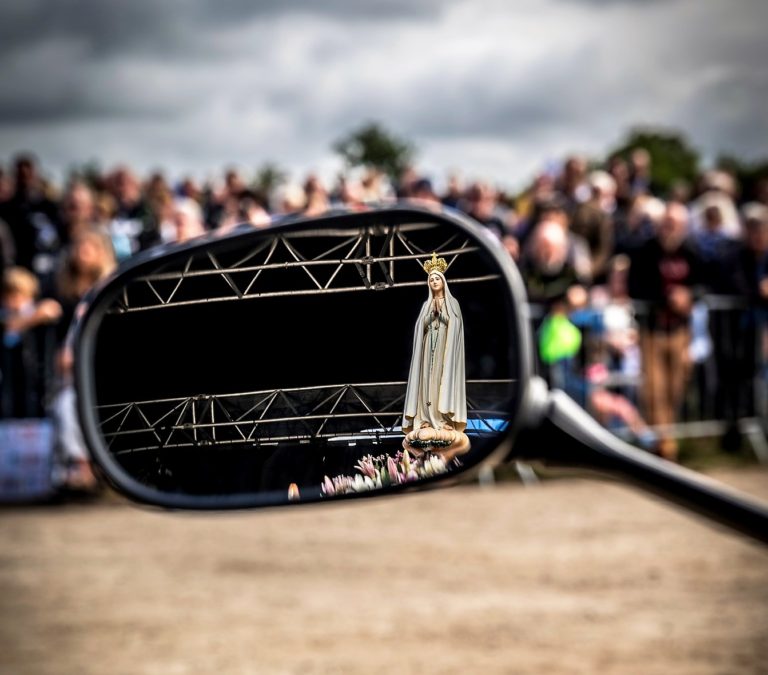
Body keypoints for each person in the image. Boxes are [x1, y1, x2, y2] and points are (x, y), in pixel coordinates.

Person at [402, 254, 467, 444]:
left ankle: (442, 420)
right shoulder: (426, 305)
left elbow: (456, 326)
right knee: (426, 383)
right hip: (427, 350)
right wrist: (430, 317)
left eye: (437, 278)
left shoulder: (452, 303)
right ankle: (424, 419)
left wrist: (442, 316)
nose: (434, 282)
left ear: (443, 281)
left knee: (440, 382)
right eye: (431, 279)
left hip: (444, 351)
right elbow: (419, 328)